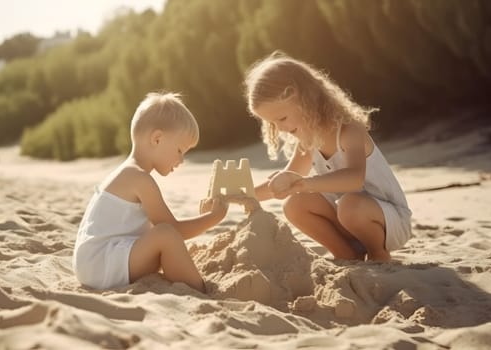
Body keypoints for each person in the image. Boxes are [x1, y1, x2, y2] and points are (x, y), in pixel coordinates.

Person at [243, 51, 412, 262]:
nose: (281, 129)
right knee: (294, 204)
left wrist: (305, 183)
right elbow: (284, 183)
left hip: (388, 222)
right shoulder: (307, 143)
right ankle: (347, 253)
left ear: (303, 99)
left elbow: (354, 178)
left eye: (282, 118)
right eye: (273, 124)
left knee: (348, 205)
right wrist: (242, 194)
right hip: (348, 218)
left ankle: (379, 255)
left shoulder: (350, 131)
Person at [73, 92, 230, 292]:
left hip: (96, 263)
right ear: (157, 139)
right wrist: (214, 217)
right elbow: (174, 229)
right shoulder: (139, 178)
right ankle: (198, 289)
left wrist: (204, 217)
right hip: (101, 263)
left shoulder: (127, 173)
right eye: (180, 151)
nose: (181, 160)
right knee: (166, 235)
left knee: (160, 239)